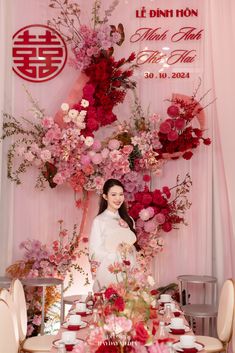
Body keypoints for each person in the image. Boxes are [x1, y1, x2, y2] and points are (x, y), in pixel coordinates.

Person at [89, 178, 137, 291]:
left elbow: (133, 246)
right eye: (113, 194)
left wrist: (128, 249)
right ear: (105, 196)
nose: (118, 198)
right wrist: (115, 253)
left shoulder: (128, 220)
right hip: (110, 270)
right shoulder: (99, 221)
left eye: (121, 194)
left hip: (129, 270)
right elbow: (94, 251)